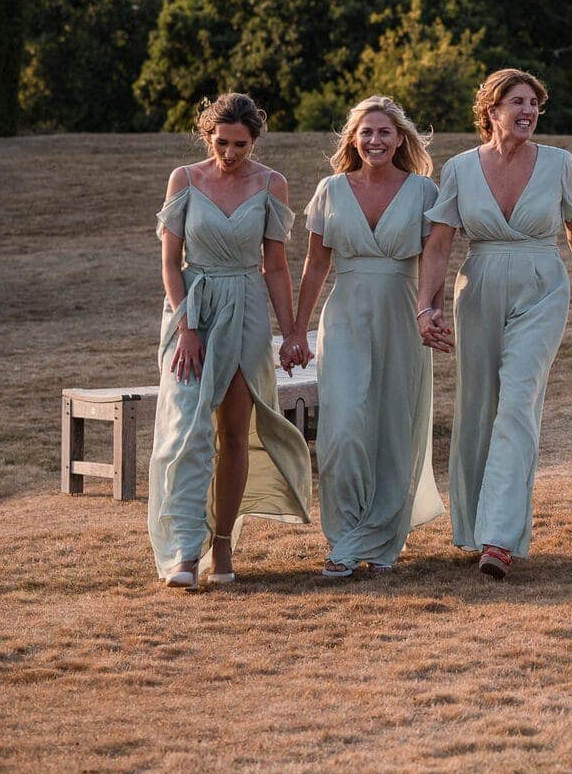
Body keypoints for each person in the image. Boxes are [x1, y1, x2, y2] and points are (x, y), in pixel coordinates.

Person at [416, 69, 572, 579]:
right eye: (516, 102)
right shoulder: (460, 169)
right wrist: (426, 306)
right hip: (478, 289)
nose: (527, 111)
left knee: (519, 400)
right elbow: (439, 243)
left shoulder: (559, 164)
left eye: (534, 103)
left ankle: (500, 538)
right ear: (491, 110)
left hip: (541, 288)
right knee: (479, 407)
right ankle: (476, 525)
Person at [150, 93, 311, 588]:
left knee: (234, 434)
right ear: (207, 136)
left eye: (240, 144)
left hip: (245, 309)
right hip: (192, 308)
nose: (230, 152)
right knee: (186, 431)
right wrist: (187, 327)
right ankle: (181, 552)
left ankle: (221, 554)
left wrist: (291, 333)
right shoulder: (185, 179)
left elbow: (276, 266)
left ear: (254, 141)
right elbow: (170, 263)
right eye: (222, 142)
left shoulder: (271, 185)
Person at [287, 95, 445, 578]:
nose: (375, 140)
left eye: (384, 133)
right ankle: (343, 538)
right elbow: (316, 264)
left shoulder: (423, 192)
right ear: (354, 140)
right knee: (343, 430)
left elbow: (433, 261)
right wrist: (297, 329)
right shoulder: (331, 189)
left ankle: (380, 540)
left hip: (401, 315)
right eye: (366, 132)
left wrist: (428, 311)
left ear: (400, 139)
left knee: (394, 428)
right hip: (346, 318)